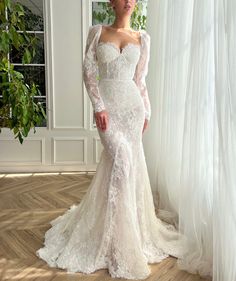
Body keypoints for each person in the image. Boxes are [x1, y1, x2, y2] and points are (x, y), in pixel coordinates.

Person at [36, 0, 186, 279]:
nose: (128, 1)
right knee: (122, 160)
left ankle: (126, 232)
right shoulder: (97, 32)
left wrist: (147, 112)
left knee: (127, 167)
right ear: (111, 3)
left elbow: (141, 80)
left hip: (132, 109)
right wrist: (98, 107)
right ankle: (115, 237)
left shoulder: (143, 38)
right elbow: (89, 73)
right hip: (108, 108)